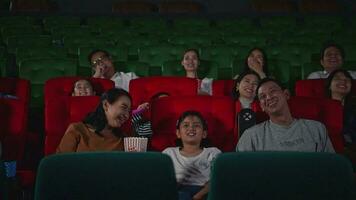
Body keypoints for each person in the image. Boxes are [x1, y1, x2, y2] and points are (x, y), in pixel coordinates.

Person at [236, 78, 335, 152]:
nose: (269, 97)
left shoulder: (316, 129)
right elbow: (241, 173)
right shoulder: (251, 136)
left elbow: (331, 167)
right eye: (263, 96)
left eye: (273, 91)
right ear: (261, 106)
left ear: (286, 94)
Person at [163, 110, 221, 200]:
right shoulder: (169, 153)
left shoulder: (213, 153)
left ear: (204, 134)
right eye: (186, 125)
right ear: (178, 133)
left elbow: (219, 179)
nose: (191, 128)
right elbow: (162, 181)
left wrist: (198, 196)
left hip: (205, 194)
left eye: (196, 125)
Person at [56, 88, 132, 153]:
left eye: (129, 111)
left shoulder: (123, 139)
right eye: (123, 107)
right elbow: (59, 164)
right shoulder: (77, 129)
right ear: (106, 105)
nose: (127, 116)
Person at [325, 69, 356, 144]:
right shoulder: (319, 109)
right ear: (329, 86)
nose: (343, 81)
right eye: (337, 78)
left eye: (347, 79)